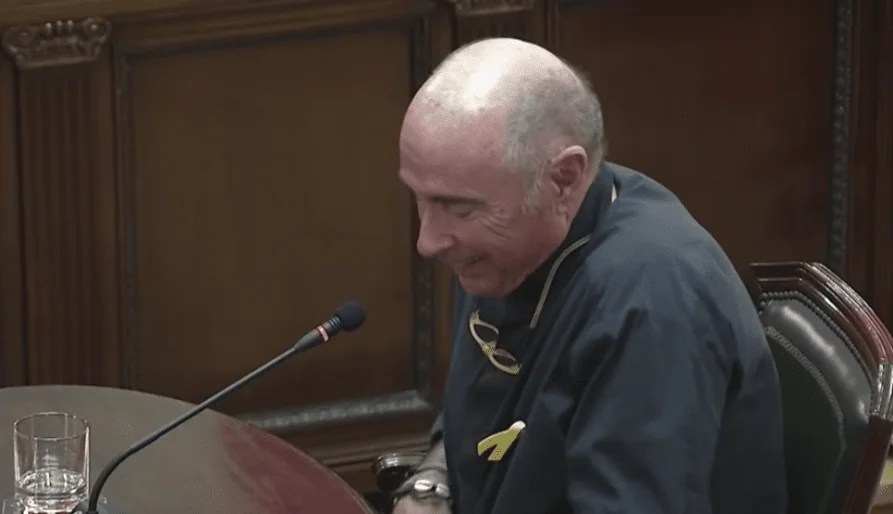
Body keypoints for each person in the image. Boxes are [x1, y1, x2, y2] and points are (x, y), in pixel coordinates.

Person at [393, 37, 787, 514]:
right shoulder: (504, 243)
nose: (428, 241)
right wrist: (433, 481)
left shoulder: (654, 306)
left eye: (458, 208)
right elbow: (479, 419)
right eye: (419, 199)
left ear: (563, 178)